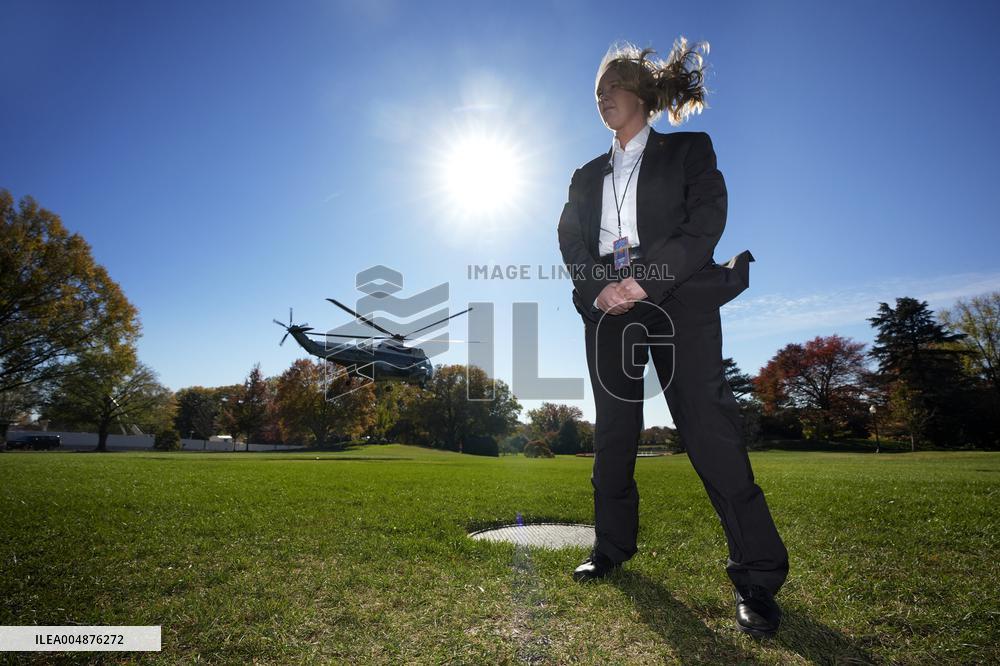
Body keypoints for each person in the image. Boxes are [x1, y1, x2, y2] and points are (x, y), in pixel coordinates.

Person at [557, 38, 790, 639]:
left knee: (708, 432)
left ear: (640, 93)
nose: (602, 99)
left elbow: (706, 222)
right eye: (596, 94)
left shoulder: (689, 149)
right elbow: (570, 240)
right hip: (608, 311)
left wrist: (644, 280)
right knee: (613, 432)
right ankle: (610, 549)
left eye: (611, 88)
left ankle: (758, 577)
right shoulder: (585, 175)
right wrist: (598, 290)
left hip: (677, 302)